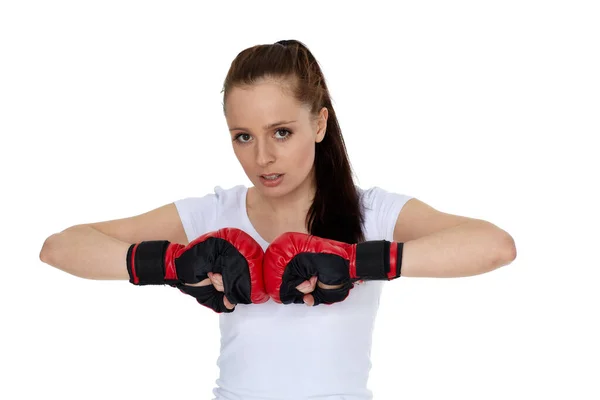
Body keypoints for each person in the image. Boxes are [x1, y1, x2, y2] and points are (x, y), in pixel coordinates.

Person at [39, 39, 516, 399]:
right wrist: (174, 263)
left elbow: (494, 246)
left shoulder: (372, 212)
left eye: (281, 132)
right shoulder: (213, 213)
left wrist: (354, 262)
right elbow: (60, 247)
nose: (263, 157)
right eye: (243, 137)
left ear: (320, 124)